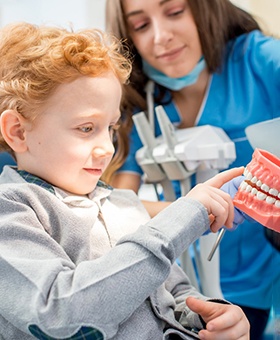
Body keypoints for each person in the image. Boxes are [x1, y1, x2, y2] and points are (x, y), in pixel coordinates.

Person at [0, 22, 249, 340]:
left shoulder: (124, 205)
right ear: (19, 132)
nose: (107, 148)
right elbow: (62, 314)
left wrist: (211, 319)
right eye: (87, 128)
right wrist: (177, 220)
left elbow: (173, 297)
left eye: (111, 128)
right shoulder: (10, 212)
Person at [105, 0, 280, 338]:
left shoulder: (261, 61)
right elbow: (114, 206)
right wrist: (196, 209)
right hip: (177, 289)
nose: (160, 37)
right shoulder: (139, 104)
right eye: (141, 26)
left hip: (257, 284)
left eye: (174, 12)